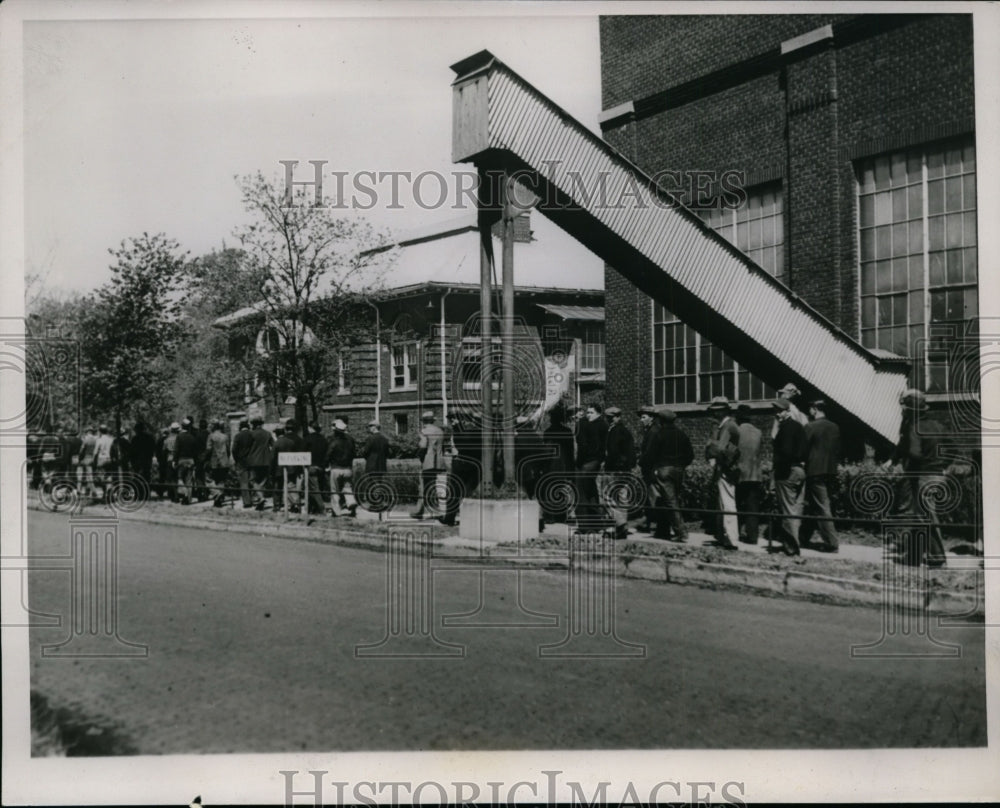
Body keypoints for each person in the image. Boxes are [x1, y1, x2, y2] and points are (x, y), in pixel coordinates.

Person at [885, 389, 949, 567]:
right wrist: (941, 465)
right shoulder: (938, 426)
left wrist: (915, 467)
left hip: (923, 476)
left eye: (905, 408)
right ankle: (913, 557)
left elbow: (914, 453)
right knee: (920, 516)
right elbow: (952, 449)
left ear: (911, 410)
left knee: (924, 517)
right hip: (938, 475)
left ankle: (937, 557)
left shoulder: (914, 427)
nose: (903, 411)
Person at [799, 400, 841, 553]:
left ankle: (832, 543)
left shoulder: (810, 427)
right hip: (830, 471)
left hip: (814, 471)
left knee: (822, 507)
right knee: (813, 505)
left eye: (810, 408)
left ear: (815, 409)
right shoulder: (835, 427)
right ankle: (803, 538)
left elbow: (802, 449)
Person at [772, 398, 808, 556]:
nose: (777, 413)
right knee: (796, 509)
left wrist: (777, 470)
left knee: (787, 510)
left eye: (780, 410)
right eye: (776, 410)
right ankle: (795, 543)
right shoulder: (799, 427)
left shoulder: (785, 428)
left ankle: (791, 547)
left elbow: (785, 452)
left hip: (787, 472)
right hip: (800, 470)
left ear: (787, 412)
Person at [704, 397, 740, 550]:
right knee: (722, 503)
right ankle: (724, 537)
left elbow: (718, 448)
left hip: (726, 468)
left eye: (717, 410)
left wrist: (710, 444)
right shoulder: (724, 425)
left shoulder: (727, 426)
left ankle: (731, 539)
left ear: (724, 411)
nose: (714, 413)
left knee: (727, 503)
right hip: (724, 467)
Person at [441, 414, 481, 527]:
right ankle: (468, 517)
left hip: (461, 463)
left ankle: (449, 517)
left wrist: (457, 429)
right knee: (469, 491)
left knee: (455, 490)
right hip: (476, 464)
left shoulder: (460, 432)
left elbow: (458, 446)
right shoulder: (481, 432)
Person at [602, 406, 636, 540]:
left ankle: (619, 526)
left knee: (611, 498)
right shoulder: (625, 431)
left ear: (617, 417)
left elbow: (613, 452)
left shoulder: (615, 431)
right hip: (625, 469)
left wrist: (608, 464)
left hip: (615, 469)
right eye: (608, 418)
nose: (609, 420)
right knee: (622, 497)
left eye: (611, 418)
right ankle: (622, 526)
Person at [574, 403, 608, 530]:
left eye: (590, 413)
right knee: (592, 491)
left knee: (581, 492)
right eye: (587, 413)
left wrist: (579, 462)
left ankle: (584, 525)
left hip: (587, 462)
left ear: (598, 413)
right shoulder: (604, 425)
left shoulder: (588, 426)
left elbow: (583, 446)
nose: (588, 415)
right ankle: (596, 522)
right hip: (596, 461)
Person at [540, 406, 575, 525]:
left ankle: (550, 516)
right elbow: (570, 451)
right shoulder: (567, 432)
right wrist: (571, 468)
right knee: (561, 490)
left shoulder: (548, 432)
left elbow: (544, 450)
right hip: (563, 464)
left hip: (550, 465)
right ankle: (561, 515)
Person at [734, 404, 763, 545]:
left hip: (740, 473)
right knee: (753, 506)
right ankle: (753, 536)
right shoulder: (758, 432)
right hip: (755, 474)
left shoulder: (737, 431)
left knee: (737, 505)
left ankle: (736, 533)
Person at [411, 410, 445, 520]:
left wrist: (418, 455)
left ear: (424, 421)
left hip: (427, 462)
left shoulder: (424, 431)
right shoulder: (440, 431)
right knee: (436, 487)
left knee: (423, 486)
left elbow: (423, 446)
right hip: (439, 463)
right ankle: (440, 510)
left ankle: (419, 511)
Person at [272, 418, 305, 512]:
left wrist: (271, 469)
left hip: (278, 469)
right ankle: (295, 504)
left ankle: (277, 505)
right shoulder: (293, 441)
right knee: (291, 486)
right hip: (292, 468)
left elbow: (273, 458)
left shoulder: (277, 443)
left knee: (277, 487)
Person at [327, 419, 357, 517]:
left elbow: (328, 454)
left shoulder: (334, 441)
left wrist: (326, 465)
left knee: (334, 490)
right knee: (348, 488)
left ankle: (336, 511)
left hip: (336, 468)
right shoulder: (350, 440)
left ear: (335, 430)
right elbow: (354, 453)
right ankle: (351, 501)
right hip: (348, 468)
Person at [245, 416, 274, 510]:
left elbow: (247, 448)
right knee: (263, 481)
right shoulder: (268, 434)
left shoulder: (251, 434)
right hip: (266, 461)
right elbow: (273, 446)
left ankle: (260, 497)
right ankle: (260, 497)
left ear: (253, 424)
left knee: (253, 480)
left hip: (253, 461)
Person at [303, 422, 330, 515]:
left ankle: (322, 509)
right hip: (321, 467)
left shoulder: (307, 439)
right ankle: (312, 509)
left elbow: (303, 452)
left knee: (314, 489)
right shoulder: (324, 439)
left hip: (311, 466)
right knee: (317, 488)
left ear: (310, 428)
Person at [206, 421, 232, 507]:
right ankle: (219, 499)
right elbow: (228, 449)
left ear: (214, 427)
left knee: (209, 479)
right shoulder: (225, 436)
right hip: (224, 461)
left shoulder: (211, 436)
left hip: (214, 461)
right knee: (221, 480)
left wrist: (206, 459)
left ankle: (216, 494)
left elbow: (209, 449)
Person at [173, 419, 199, 505]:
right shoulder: (192, 437)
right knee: (189, 481)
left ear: (182, 426)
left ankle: (184, 495)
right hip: (191, 460)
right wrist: (195, 462)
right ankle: (188, 499)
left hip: (181, 460)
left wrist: (174, 460)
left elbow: (176, 450)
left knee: (180, 479)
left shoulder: (179, 437)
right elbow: (195, 451)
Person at [230, 419, 254, 508]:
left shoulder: (238, 436)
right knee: (253, 481)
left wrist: (236, 459)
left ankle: (247, 502)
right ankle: (256, 499)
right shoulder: (252, 435)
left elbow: (234, 450)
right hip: (252, 461)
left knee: (244, 482)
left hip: (241, 461)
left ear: (240, 427)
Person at [129, 422, 156, 492]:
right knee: (146, 476)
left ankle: (138, 491)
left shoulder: (135, 439)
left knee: (137, 476)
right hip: (147, 460)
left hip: (138, 460)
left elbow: (132, 451)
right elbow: (153, 448)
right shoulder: (150, 438)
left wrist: (132, 461)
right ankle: (146, 491)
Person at [93, 424, 116, 497]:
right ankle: (109, 490)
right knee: (109, 475)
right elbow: (114, 451)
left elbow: (95, 452)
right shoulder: (111, 439)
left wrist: (94, 461)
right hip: (109, 459)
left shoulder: (99, 440)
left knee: (101, 476)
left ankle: (104, 492)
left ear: (100, 431)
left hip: (101, 459)